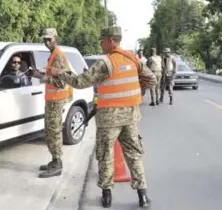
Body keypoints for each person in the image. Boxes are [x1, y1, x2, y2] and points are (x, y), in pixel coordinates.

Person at [49, 26, 156, 208]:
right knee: (134, 155)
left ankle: (107, 196)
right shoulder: (133, 59)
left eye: (102, 40)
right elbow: (151, 79)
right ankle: (143, 196)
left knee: (106, 155)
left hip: (109, 119)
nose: (101, 44)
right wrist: (135, 92)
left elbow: (80, 82)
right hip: (130, 116)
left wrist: (60, 73)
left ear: (111, 41)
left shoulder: (106, 62)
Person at [29, 28, 73, 178]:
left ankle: (57, 164)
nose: (47, 42)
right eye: (45, 39)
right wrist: (40, 74)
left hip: (56, 101)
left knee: (54, 132)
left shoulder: (59, 55)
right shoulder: (53, 55)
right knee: (49, 131)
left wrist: (40, 77)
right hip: (52, 101)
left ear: (56, 38)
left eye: (50, 39)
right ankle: (54, 160)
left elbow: (61, 82)